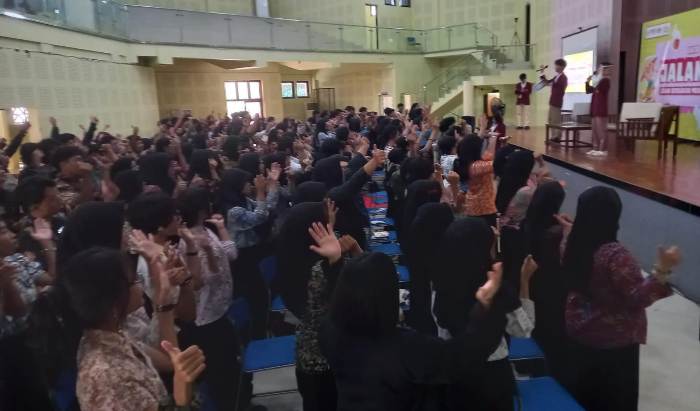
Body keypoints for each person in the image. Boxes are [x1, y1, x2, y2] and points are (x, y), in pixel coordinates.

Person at [320, 251, 507, 411]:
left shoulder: (330, 331)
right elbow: (461, 357)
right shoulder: (405, 347)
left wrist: (335, 263)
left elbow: (347, 295)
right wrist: (484, 306)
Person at [31, 246, 206, 410]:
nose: (140, 285)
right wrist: (182, 399)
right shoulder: (106, 376)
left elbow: (167, 360)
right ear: (113, 303)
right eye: (134, 280)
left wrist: (164, 303)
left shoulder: (110, 335)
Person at [560, 186, 681, 411]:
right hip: (614, 344)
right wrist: (663, 269)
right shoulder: (616, 256)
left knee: (582, 397)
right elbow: (638, 296)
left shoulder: (571, 244)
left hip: (578, 332)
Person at [177, 187, 242, 410]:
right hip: (206, 317)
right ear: (200, 209)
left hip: (220, 309)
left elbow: (231, 254)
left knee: (231, 366)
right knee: (220, 374)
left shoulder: (205, 230)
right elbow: (205, 279)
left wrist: (221, 228)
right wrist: (208, 252)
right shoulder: (189, 240)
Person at [454, 134, 498, 227]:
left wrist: (493, 138)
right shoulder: (477, 167)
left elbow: (489, 156)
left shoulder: (469, 164)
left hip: (473, 207)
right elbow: (496, 164)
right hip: (485, 210)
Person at [586, 63, 612, 157]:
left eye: (605, 69)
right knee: (594, 130)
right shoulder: (598, 81)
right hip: (594, 108)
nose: (602, 71)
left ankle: (603, 149)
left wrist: (595, 78)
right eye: (601, 69)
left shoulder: (606, 80)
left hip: (601, 109)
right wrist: (587, 82)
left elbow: (599, 88)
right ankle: (595, 148)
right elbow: (588, 90)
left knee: (601, 130)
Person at [540, 59, 568, 140]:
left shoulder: (563, 78)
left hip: (557, 102)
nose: (555, 67)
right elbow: (547, 82)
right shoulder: (557, 76)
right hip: (552, 101)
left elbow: (557, 87)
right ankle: (553, 136)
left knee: (556, 120)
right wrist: (542, 72)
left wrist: (551, 83)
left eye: (556, 65)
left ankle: (557, 137)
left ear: (561, 66)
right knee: (551, 119)